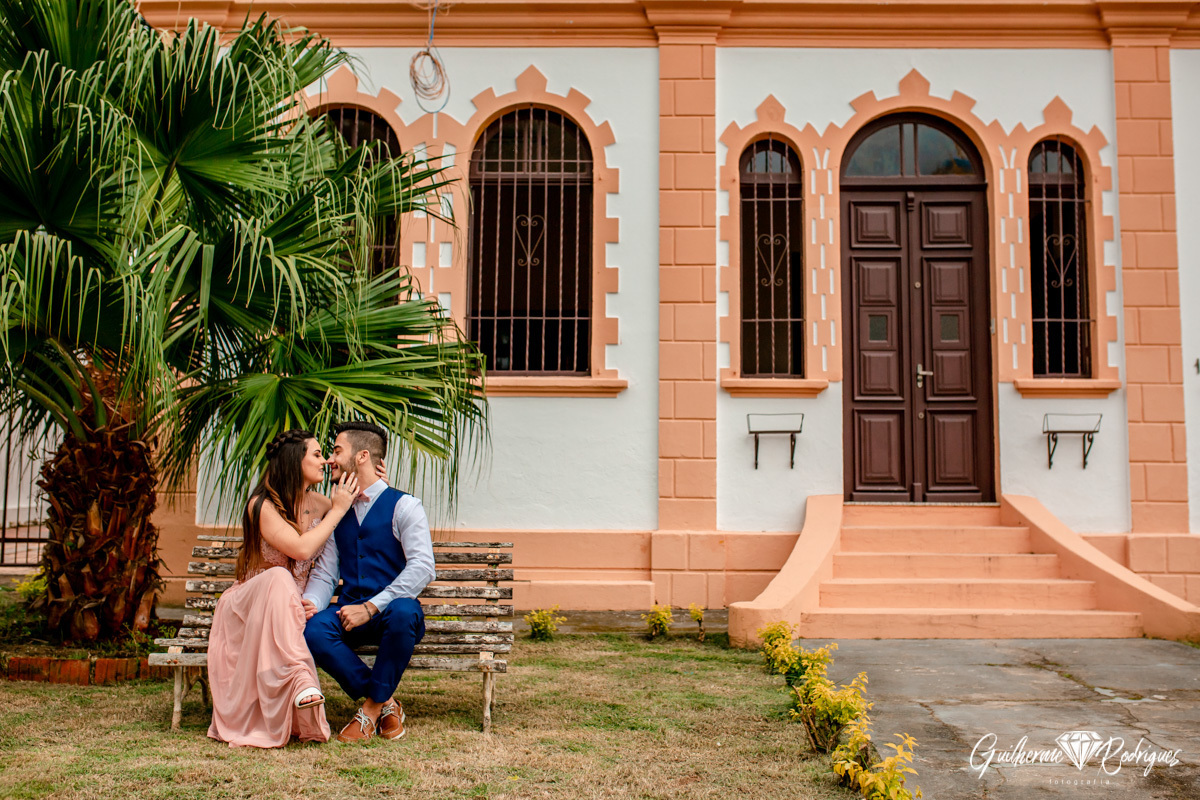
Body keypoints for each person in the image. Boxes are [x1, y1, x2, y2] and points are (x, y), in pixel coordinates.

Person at [206, 429, 360, 748]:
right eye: (317, 454)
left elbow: (362, 499)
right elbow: (301, 550)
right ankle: (300, 680)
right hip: (249, 606)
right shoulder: (261, 505)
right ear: (294, 460)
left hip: (290, 607)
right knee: (278, 576)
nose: (325, 460)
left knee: (284, 585)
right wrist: (338, 511)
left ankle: (300, 691)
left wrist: (364, 472)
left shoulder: (321, 504)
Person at [302, 420, 436, 743]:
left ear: (362, 457)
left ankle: (368, 712)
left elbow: (423, 568)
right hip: (351, 614)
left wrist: (372, 606)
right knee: (314, 630)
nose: (331, 460)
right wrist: (312, 602)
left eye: (336, 451)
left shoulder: (405, 506)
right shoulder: (338, 512)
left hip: (393, 615)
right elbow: (326, 572)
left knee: (405, 613)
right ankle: (385, 703)